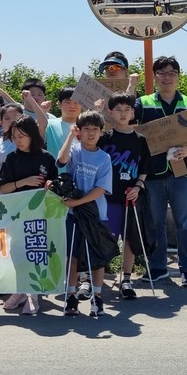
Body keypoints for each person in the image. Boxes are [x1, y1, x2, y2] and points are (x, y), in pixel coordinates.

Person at [134, 56, 187, 287]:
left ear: (178, 76)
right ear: (155, 76)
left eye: (172, 73)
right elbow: (130, 125)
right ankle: (158, 267)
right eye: (162, 72)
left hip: (181, 171)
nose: (167, 77)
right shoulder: (143, 102)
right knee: (155, 222)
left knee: (184, 222)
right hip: (152, 172)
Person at [0, 115, 58, 315]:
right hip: (17, 214)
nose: (18, 141)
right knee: (16, 253)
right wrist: (24, 182)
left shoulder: (47, 158)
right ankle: (20, 289)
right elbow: (3, 187)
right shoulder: (11, 158)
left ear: (32, 135)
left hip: (41, 215)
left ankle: (33, 294)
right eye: (15, 137)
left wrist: (50, 184)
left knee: (36, 252)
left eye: (22, 136)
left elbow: (56, 184)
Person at [57, 110, 113, 317]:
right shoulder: (74, 149)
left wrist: (78, 202)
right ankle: (71, 295)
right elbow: (61, 160)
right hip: (73, 214)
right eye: (86, 129)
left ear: (101, 132)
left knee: (96, 256)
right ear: (79, 130)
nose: (91, 133)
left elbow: (101, 189)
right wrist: (70, 136)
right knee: (72, 255)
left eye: (95, 129)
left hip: (96, 214)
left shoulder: (105, 158)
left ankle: (97, 297)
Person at [97, 93, 152, 300]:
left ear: (133, 113)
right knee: (105, 239)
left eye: (127, 109)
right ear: (110, 112)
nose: (123, 113)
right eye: (118, 109)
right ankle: (94, 278)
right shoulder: (104, 138)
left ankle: (126, 279)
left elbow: (145, 168)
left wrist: (138, 186)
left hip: (131, 199)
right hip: (107, 198)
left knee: (130, 240)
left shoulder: (140, 140)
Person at [0, 102, 24, 183]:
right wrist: (9, 178)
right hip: (3, 189)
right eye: (7, 118)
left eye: (16, 117)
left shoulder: (30, 140)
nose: (12, 121)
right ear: (0, 121)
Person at [44, 87, 83, 165]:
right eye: (68, 102)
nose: (72, 106)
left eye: (76, 102)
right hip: (56, 171)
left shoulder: (87, 127)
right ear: (59, 104)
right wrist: (42, 111)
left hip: (82, 172)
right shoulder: (49, 124)